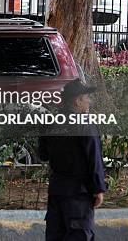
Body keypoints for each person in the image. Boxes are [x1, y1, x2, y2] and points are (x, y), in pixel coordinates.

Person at [38, 79, 107, 241]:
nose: (89, 101)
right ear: (77, 101)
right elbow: (94, 158)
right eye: (86, 98)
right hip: (78, 195)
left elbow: (43, 154)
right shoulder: (85, 124)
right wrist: (99, 188)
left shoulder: (50, 123)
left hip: (56, 192)